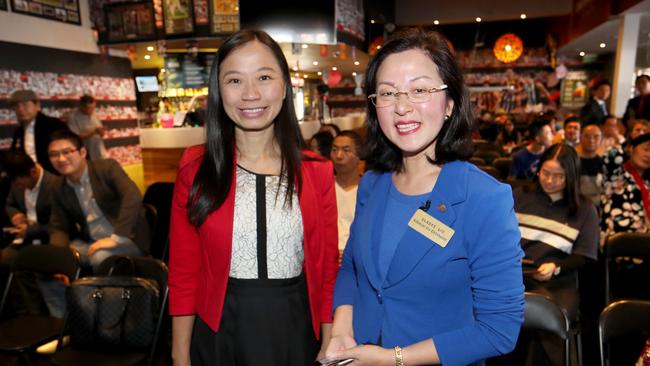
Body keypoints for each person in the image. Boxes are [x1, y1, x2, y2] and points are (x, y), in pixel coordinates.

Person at [325, 28, 524, 366]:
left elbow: (499, 330)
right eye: (387, 93)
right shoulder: (373, 182)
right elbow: (352, 268)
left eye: (419, 89)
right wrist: (341, 329)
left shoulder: (484, 198)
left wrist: (393, 359)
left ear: (449, 103)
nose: (402, 107)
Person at [168, 29, 339, 366]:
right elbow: (185, 271)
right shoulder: (196, 168)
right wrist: (179, 355)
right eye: (234, 80)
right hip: (219, 332)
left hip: (294, 329)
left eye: (263, 77)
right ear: (219, 91)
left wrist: (329, 341)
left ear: (285, 85)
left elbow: (326, 270)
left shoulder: (317, 171)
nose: (250, 94)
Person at [513, 143, 599, 364]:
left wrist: (556, 267)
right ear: (538, 170)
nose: (550, 181)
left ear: (571, 176)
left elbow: (584, 255)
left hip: (557, 282)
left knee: (550, 316)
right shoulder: (520, 195)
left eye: (559, 176)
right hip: (514, 277)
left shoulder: (584, 210)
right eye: (545, 173)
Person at [47, 129, 149, 271]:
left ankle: (101, 293)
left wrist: (116, 238)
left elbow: (132, 196)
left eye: (67, 152)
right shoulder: (58, 186)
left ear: (82, 152)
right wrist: (58, 257)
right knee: (48, 263)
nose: (61, 159)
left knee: (99, 257)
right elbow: (58, 227)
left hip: (127, 237)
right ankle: (74, 293)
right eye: (54, 154)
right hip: (91, 242)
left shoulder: (106, 168)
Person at [3, 151, 56, 254]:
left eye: (19, 183)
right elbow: (9, 203)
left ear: (33, 172)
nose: (17, 187)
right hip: (22, 241)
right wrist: (15, 214)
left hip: (47, 240)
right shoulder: (17, 179)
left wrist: (30, 231)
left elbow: (58, 226)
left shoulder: (54, 186)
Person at [8, 89, 69, 174]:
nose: (20, 109)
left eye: (25, 105)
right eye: (16, 106)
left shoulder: (54, 125)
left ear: (37, 105)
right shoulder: (19, 132)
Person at [331, 131, 363, 253]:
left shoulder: (368, 190)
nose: (339, 155)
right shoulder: (324, 188)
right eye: (334, 150)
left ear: (359, 155)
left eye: (346, 150)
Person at [67, 94, 108, 160]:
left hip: (100, 152)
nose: (91, 110)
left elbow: (101, 134)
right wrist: (94, 132)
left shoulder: (94, 115)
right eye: (88, 108)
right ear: (81, 106)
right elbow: (75, 137)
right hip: (85, 153)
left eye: (93, 108)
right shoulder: (73, 117)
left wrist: (101, 132)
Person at [576, 125, 604, 205]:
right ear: (580, 138)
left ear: (601, 140)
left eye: (596, 137)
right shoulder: (572, 163)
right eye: (587, 136)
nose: (591, 140)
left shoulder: (604, 163)